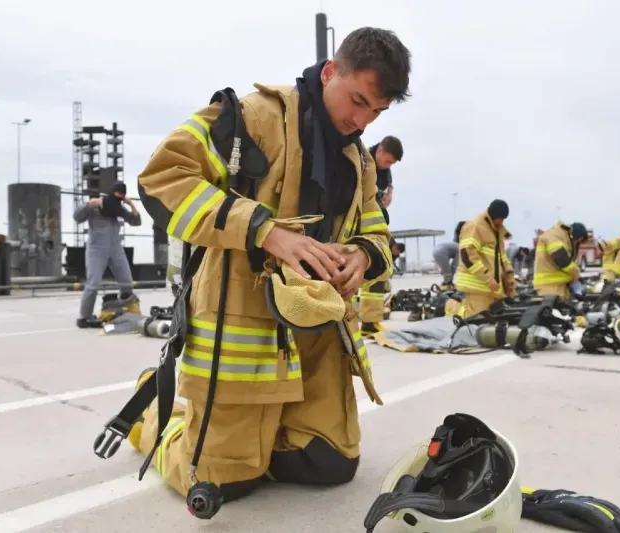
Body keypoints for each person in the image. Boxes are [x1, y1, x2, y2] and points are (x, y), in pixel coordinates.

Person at [129, 27, 411, 506]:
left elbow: (378, 231)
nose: (360, 121)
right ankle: (154, 413)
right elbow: (162, 178)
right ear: (329, 72)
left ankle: (257, 433)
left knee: (328, 464)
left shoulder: (360, 161)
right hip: (244, 326)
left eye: (376, 113)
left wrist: (363, 256)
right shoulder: (252, 117)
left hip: (319, 330)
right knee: (223, 481)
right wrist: (264, 230)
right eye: (357, 100)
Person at [72, 182, 141, 328]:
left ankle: (124, 310)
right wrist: (88, 204)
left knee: (127, 282)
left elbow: (136, 222)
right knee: (93, 284)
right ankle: (84, 317)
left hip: (115, 247)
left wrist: (131, 204)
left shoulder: (118, 208)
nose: (119, 199)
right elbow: (77, 217)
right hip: (96, 248)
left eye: (121, 197)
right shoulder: (97, 207)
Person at [445, 200, 516, 318]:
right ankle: (447, 305)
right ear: (493, 215)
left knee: (492, 317)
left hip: (492, 287)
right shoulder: (475, 226)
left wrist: (509, 278)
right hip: (477, 283)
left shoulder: (497, 230)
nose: (502, 222)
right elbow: (467, 255)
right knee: (475, 317)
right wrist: (488, 278)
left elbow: (502, 258)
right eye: (500, 219)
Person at [359, 238, 405, 336]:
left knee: (376, 296)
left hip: (380, 271)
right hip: (373, 268)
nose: (396, 253)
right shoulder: (386, 240)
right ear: (396, 247)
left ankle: (372, 323)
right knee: (372, 295)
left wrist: (387, 277)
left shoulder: (393, 251)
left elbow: (390, 263)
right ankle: (368, 324)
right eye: (396, 251)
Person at [533, 222, 588, 300]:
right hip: (550, 287)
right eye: (578, 240)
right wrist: (576, 273)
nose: (577, 243)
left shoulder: (562, 237)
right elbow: (560, 258)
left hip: (556, 286)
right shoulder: (556, 236)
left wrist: (575, 278)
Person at [368, 135, 403, 219]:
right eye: (387, 162)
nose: (388, 166)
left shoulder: (385, 171)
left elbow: (389, 185)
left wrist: (389, 192)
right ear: (380, 151)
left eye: (391, 164)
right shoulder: (361, 161)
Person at [432, 220, 465, 290]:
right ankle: (447, 287)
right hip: (441, 253)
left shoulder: (455, 245)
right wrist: (451, 278)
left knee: (446, 271)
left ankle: (446, 284)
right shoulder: (460, 249)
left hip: (436, 251)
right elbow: (454, 265)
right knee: (447, 272)